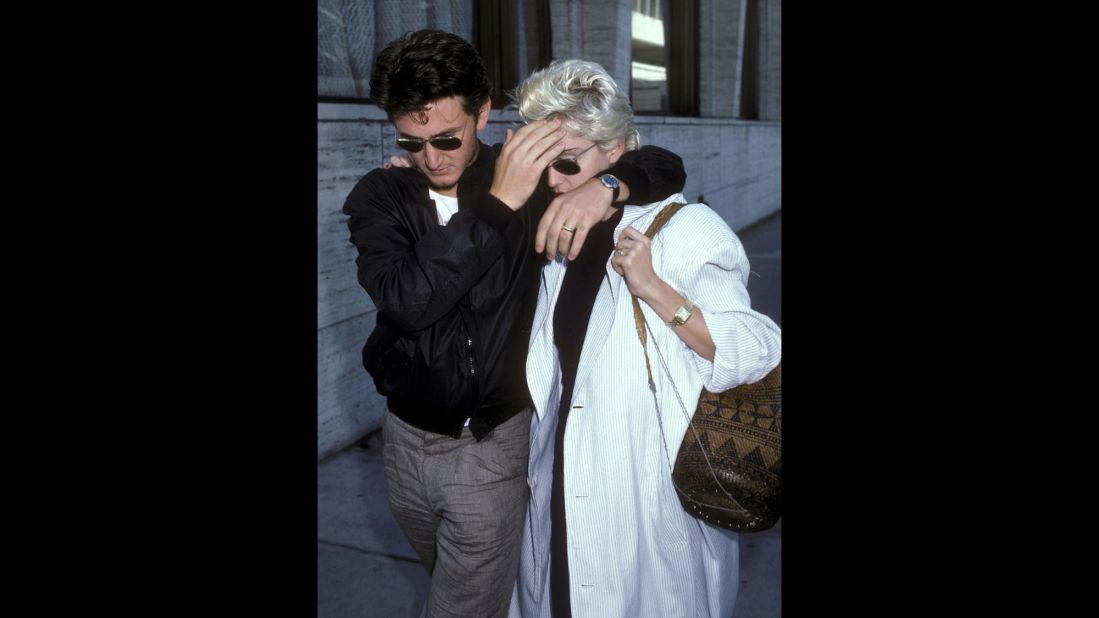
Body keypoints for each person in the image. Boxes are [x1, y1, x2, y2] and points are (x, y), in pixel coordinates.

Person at [341, 30, 687, 618]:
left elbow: (661, 162)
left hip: (489, 447)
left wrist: (605, 186)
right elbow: (405, 301)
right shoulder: (382, 194)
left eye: (448, 137)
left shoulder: (528, 177)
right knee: (457, 588)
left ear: (482, 112)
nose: (433, 158)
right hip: (403, 443)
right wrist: (494, 207)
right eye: (413, 141)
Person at [507, 60, 783, 618]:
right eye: (543, 164)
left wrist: (656, 289)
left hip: (648, 487)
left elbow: (758, 348)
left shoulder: (685, 229)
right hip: (561, 473)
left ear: (616, 151)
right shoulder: (552, 226)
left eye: (566, 162)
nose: (554, 181)